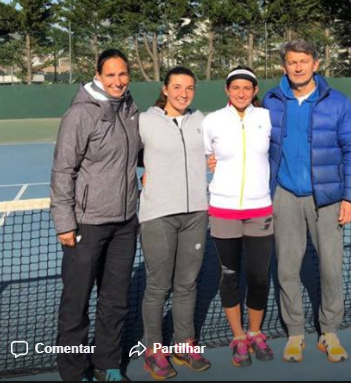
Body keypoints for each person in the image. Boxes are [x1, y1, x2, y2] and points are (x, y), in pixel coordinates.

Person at [263, 40, 351, 363]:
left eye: (303, 61)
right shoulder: (271, 100)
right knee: (287, 269)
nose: (297, 67)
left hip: (328, 199)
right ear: (284, 66)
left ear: (316, 64)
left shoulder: (338, 102)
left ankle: (329, 331)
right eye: (292, 62)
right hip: (285, 196)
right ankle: (295, 332)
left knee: (331, 268)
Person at [50, 49, 141, 381]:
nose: (118, 81)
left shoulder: (130, 107)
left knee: (114, 301)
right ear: (98, 75)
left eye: (123, 74)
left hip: (125, 222)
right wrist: (65, 223)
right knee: (76, 304)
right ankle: (73, 372)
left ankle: (107, 365)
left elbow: (135, 152)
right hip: (86, 225)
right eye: (111, 74)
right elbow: (63, 171)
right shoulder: (79, 114)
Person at [139, 67, 211, 380]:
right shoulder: (143, 121)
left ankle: (184, 344)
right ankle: (154, 350)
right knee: (158, 286)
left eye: (190, 88)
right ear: (165, 89)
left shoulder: (202, 121)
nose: (183, 93)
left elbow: (220, 151)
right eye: (177, 87)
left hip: (196, 213)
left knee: (187, 284)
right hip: (158, 215)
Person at [203, 67, 274, 368]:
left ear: (255, 90)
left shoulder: (267, 118)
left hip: (261, 209)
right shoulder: (212, 121)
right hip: (223, 209)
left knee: (258, 276)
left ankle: (256, 331)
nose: (241, 93)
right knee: (229, 275)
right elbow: (206, 157)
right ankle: (238, 337)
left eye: (247, 87)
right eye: (236, 88)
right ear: (227, 90)